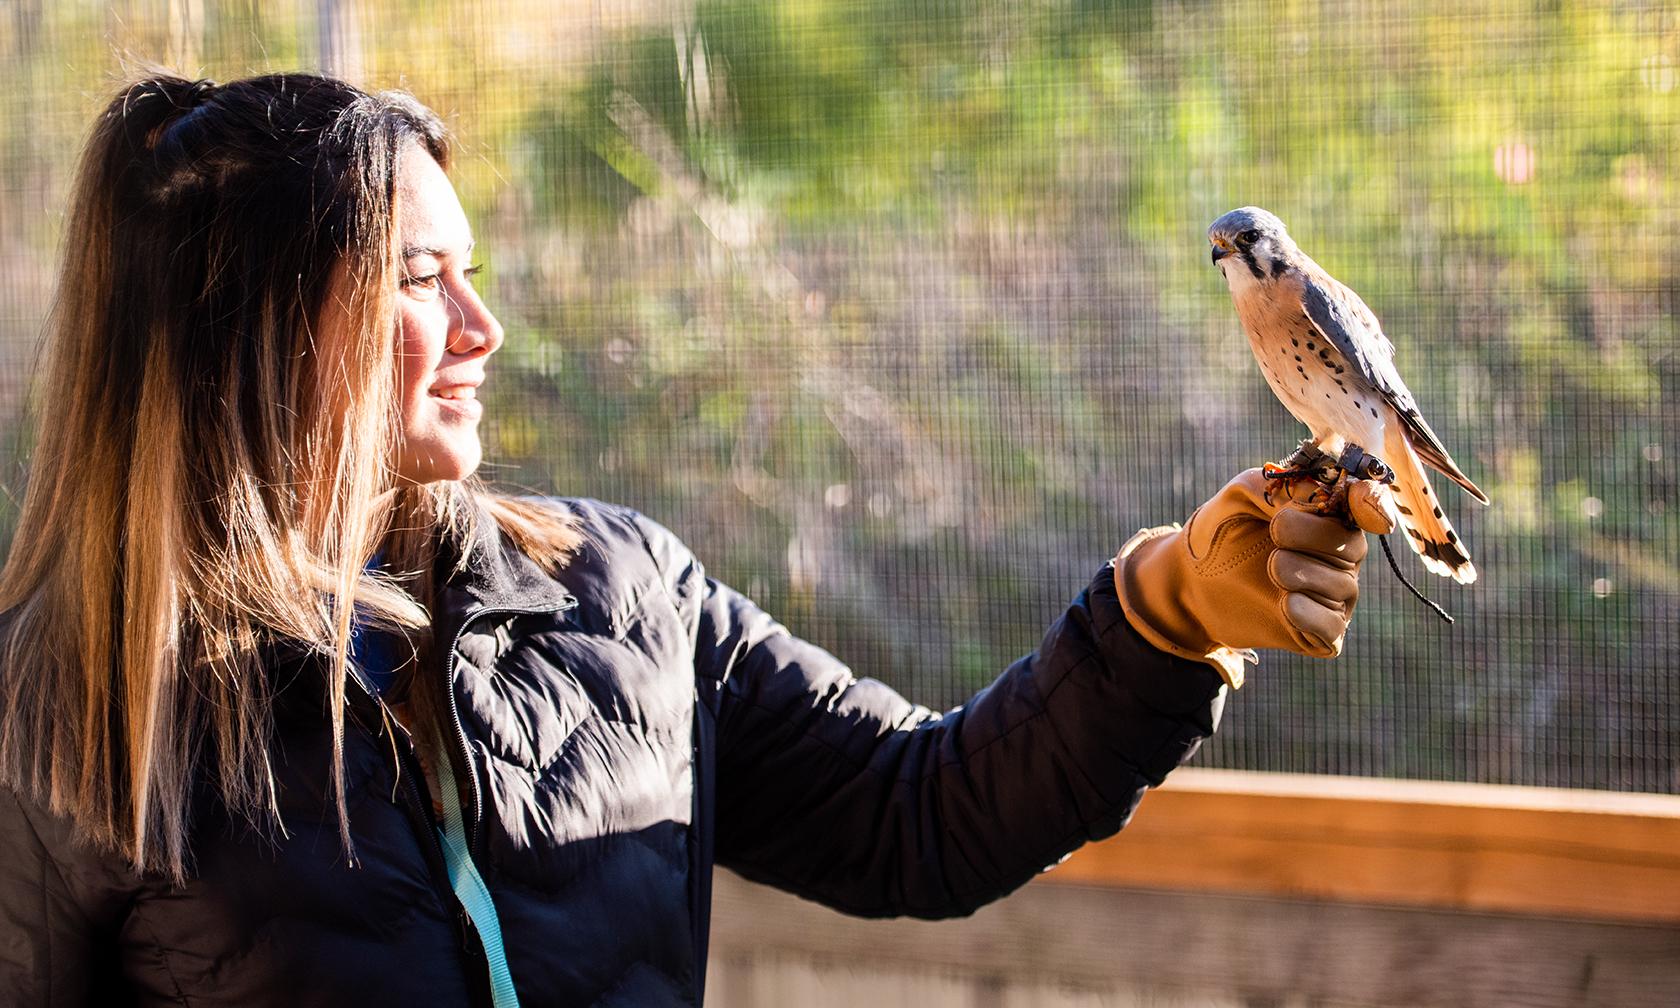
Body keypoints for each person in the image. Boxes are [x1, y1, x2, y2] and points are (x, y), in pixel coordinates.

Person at [0, 73, 1393, 1007]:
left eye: (471, 271)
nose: (483, 331)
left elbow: (918, 817)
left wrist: (1161, 613)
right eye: (421, 279)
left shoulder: (617, 593)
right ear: (251, 328)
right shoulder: (65, 711)